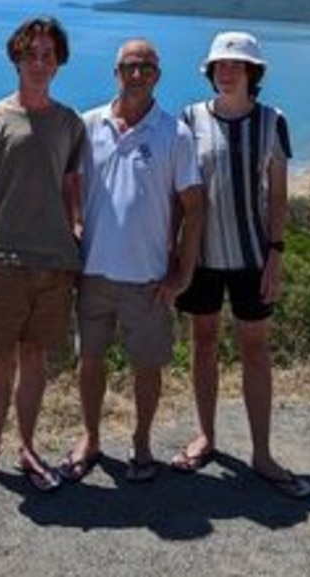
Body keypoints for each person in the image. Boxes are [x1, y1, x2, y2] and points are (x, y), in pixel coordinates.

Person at [171, 31, 310, 499]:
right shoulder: (190, 118)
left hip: (253, 256)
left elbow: (277, 193)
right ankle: (207, 436)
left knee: (255, 350)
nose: (226, 70)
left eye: (236, 63)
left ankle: (262, 452)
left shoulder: (273, 121)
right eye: (219, 64)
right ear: (210, 71)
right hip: (203, 256)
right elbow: (179, 190)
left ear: (253, 72)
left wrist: (277, 253)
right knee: (203, 341)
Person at [59, 38, 203, 483]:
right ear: (116, 72)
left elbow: (194, 206)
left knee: (147, 366)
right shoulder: (88, 126)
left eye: (146, 66)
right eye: (129, 66)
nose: (137, 74)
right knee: (90, 362)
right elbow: (69, 184)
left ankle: (141, 441)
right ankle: (90, 438)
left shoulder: (174, 133)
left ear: (157, 75)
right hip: (94, 272)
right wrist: (76, 227)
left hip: (148, 277)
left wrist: (183, 271)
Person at [0, 16, 85, 502]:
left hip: (54, 262)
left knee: (35, 360)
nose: (39, 62)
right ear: (16, 57)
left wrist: (77, 237)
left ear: (58, 62)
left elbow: (73, 188)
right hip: (4, 258)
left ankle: (27, 448)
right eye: (30, 53)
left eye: (47, 54)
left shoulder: (70, 123)